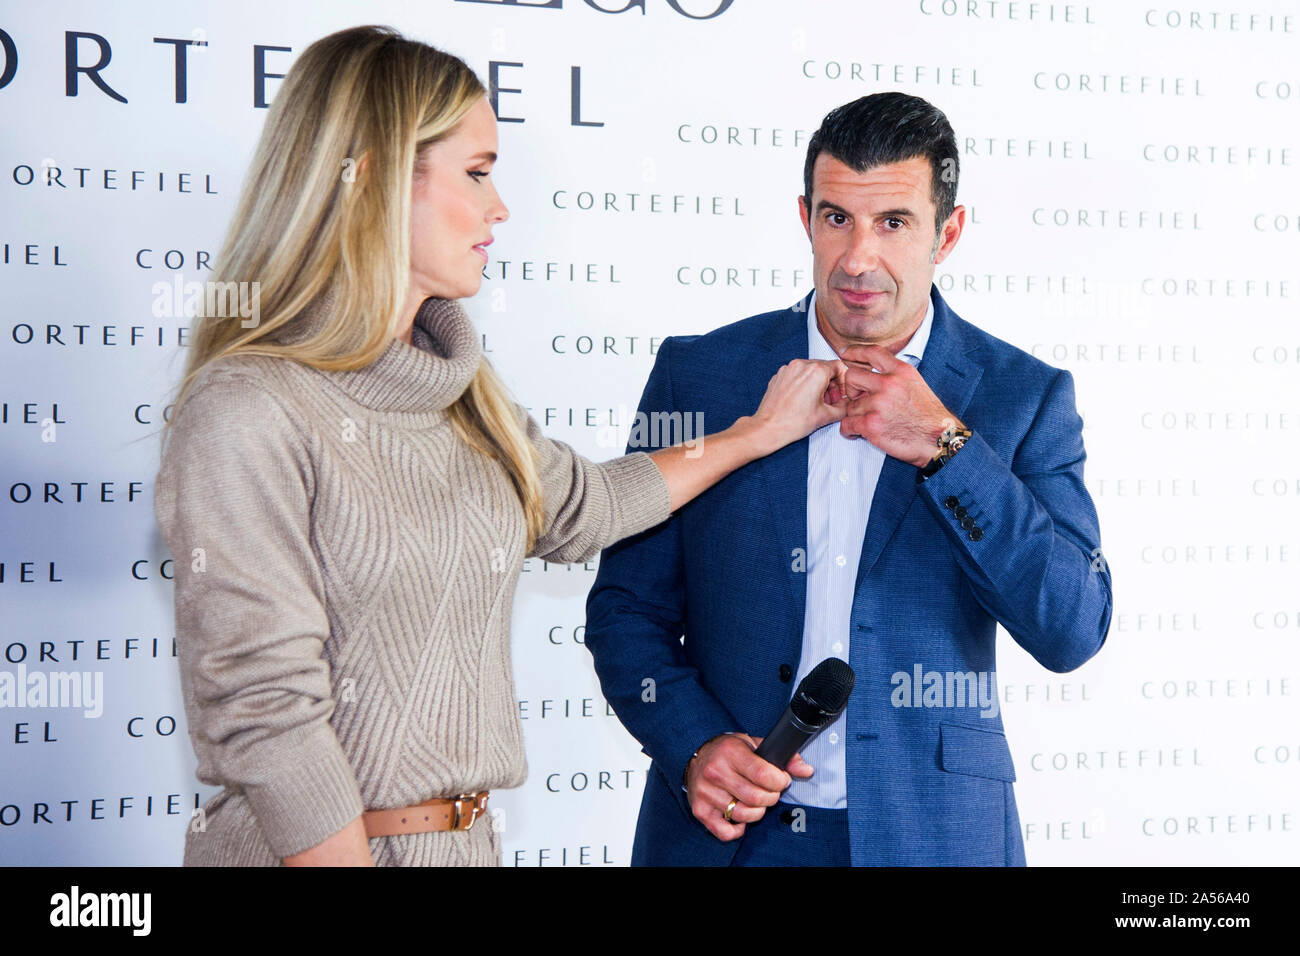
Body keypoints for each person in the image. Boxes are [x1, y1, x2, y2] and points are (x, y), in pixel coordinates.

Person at [152, 24, 849, 867]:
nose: (499, 207)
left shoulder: (461, 391)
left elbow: (585, 507)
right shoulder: (248, 408)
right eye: (477, 173)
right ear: (368, 177)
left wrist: (756, 434)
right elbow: (267, 716)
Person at [584, 92, 1114, 866]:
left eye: (893, 223)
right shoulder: (700, 377)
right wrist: (694, 744)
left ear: (949, 232)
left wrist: (946, 445)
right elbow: (625, 610)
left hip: (932, 837)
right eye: (837, 218)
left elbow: (1072, 626)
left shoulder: (1021, 396)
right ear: (805, 217)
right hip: (726, 839)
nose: (859, 258)